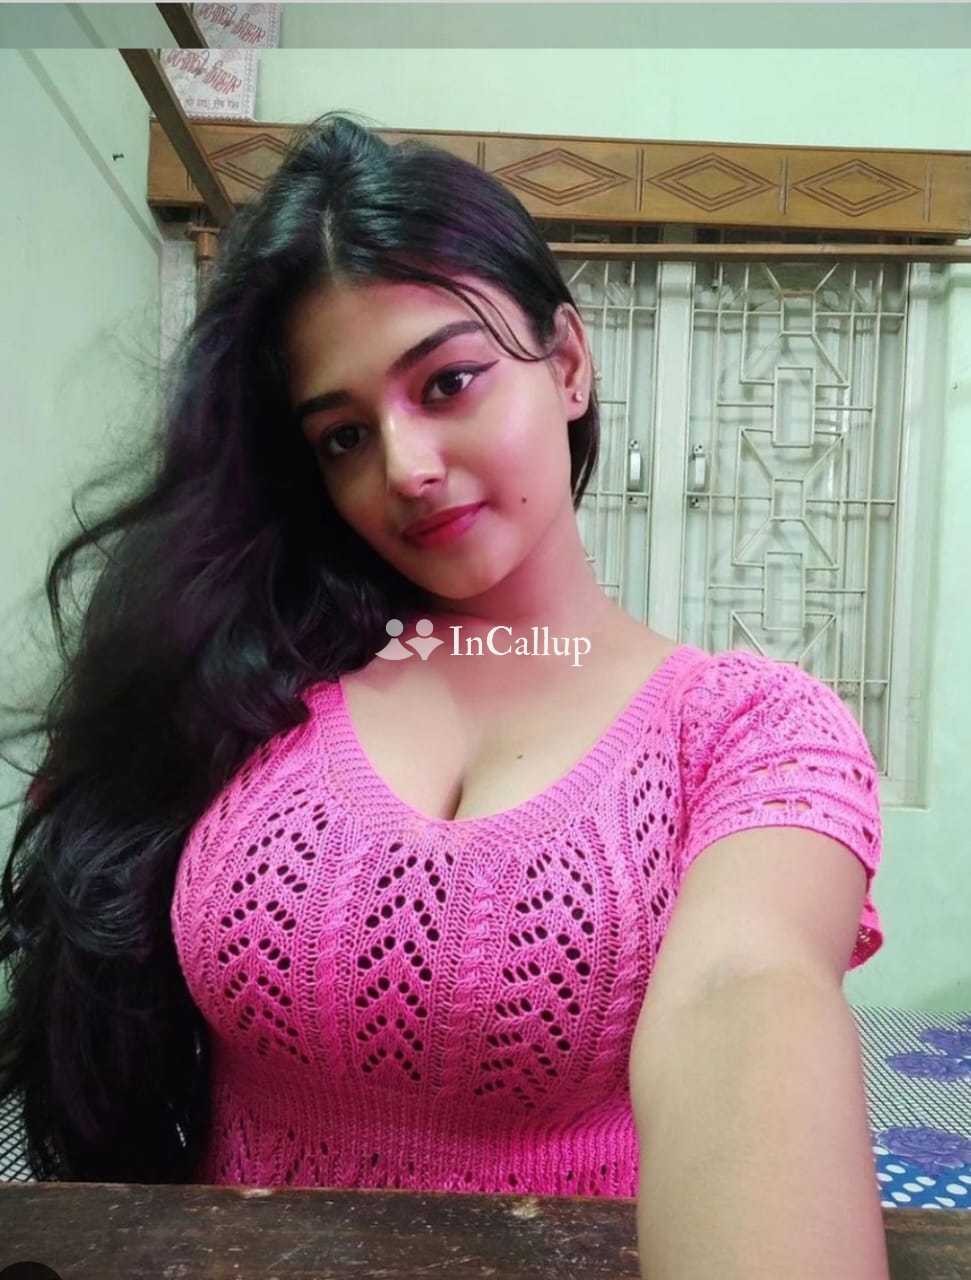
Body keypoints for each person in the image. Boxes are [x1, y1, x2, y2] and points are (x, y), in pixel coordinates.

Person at [0, 111, 884, 1200]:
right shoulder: (251, 687)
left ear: (567, 363)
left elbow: (740, 993)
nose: (405, 467)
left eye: (447, 381)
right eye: (343, 435)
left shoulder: (749, 732)